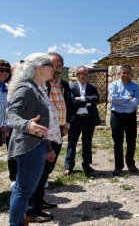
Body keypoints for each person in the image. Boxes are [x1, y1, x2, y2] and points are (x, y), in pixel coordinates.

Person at [6, 53, 60, 225]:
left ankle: (18, 221)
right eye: (49, 65)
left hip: (37, 144)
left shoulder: (38, 88)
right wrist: (28, 125)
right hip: (28, 146)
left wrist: (48, 147)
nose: (53, 68)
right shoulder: (26, 88)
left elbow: (41, 121)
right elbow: (10, 116)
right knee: (24, 190)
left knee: (22, 189)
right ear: (38, 68)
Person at [26, 52, 74, 223]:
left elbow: (70, 105)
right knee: (39, 171)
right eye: (52, 65)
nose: (55, 69)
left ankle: (39, 201)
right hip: (43, 133)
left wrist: (67, 125)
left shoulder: (64, 85)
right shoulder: (40, 84)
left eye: (59, 65)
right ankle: (31, 210)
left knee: (46, 170)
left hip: (59, 132)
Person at [64, 66, 101, 175]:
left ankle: (86, 165)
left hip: (89, 119)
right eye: (81, 73)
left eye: (86, 74)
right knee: (72, 142)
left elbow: (96, 99)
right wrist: (87, 101)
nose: (84, 76)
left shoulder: (92, 87)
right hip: (75, 119)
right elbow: (71, 101)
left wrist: (81, 99)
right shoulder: (71, 87)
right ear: (76, 75)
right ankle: (69, 166)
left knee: (87, 142)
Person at [109, 64, 139, 176]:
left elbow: (136, 102)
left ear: (131, 74)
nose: (126, 75)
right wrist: (128, 99)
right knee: (118, 142)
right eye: (124, 73)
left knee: (131, 141)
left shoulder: (135, 87)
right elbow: (113, 99)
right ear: (120, 73)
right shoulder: (113, 85)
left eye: (128, 73)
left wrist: (121, 100)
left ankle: (131, 164)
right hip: (116, 116)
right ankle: (118, 166)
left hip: (130, 117)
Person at [0, 60, 16, 187]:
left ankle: (13, 179)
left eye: (7, 70)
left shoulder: (7, 87)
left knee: (12, 152)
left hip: (6, 127)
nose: (4, 73)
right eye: (1, 70)